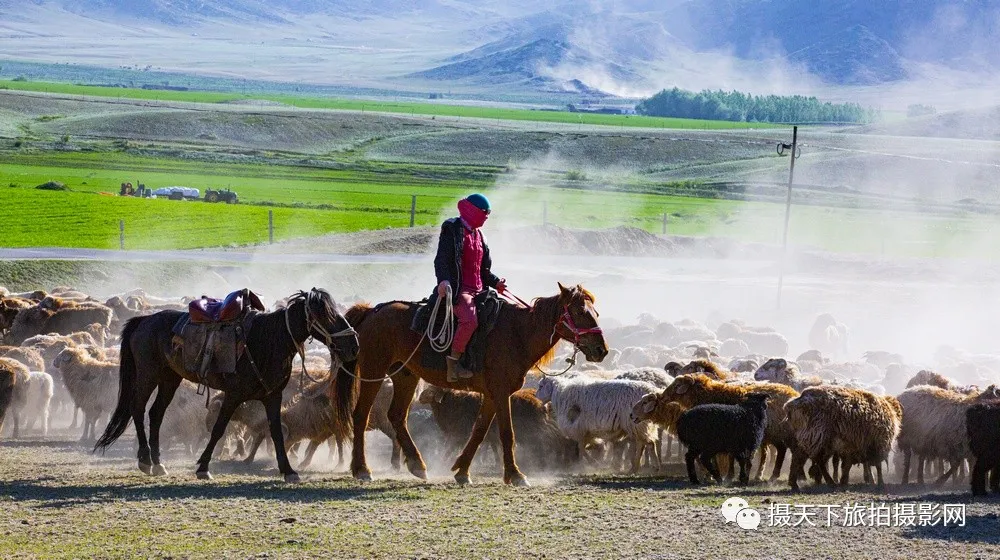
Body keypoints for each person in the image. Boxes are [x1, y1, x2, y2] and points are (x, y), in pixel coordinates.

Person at [431, 193, 506, 382]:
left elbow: (483, 270)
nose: (486, 217)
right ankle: (453, 364)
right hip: (460, 290)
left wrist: (496, 282)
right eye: (484, 213)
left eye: (488, 213)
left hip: (480, 290)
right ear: (471, 210)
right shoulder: (452, 229)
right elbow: (441, 260)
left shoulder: (481, 236)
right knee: (470, 320)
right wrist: (443, 281)